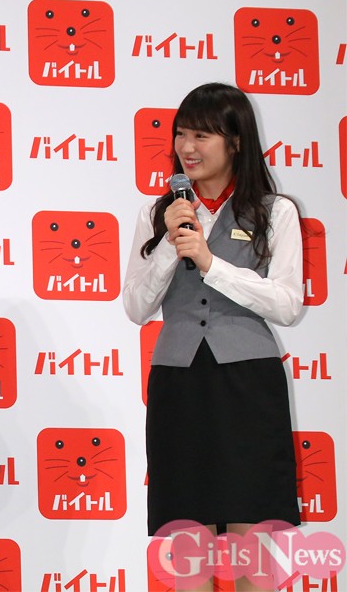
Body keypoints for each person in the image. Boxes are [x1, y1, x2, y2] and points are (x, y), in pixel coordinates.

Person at [123, 83, 303, 591]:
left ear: (236, 141)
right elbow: (135, 306)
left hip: (248, 385)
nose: (187, 147)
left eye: (201, 135)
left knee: (252, 548)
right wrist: (169, 244)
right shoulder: (157, 213)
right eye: (180, 134)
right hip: (179, 385)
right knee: (188, 545)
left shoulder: (275, 211)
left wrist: (210, 263)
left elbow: (287, 304)